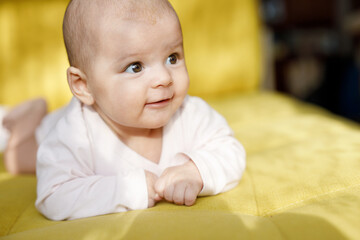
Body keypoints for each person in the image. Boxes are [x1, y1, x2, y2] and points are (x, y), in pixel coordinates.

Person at [1, 0, 246, 220]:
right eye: (135, 67)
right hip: (46, 131)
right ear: (83, 86)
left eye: (172, 57)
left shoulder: (189, 113)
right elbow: (53, 196)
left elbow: (231, 151)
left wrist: (197, 171)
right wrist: (127, 189)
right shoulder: (75, 134)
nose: (164, 78)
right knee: (17, 158)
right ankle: (29, 114)